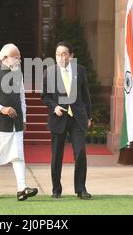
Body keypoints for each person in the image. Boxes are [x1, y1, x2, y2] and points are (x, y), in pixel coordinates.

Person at [0, 44, 39, 201]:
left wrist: (23, 118)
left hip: (14, 123)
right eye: (16, 57)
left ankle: (22, 188)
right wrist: (1, 109)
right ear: (4, 58)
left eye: (19, 57)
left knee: (18, 155)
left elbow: (22, 98)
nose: (19, 60)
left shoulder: (18, 73)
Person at [42, 41, 93, 200]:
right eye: (58, 54)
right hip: (59, 118)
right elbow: (45, 97)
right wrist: (54, 107)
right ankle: (56, 189)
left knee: (80, 154)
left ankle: (81, 189)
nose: (60, 57)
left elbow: (86, 95)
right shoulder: (49, 72)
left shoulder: (80, 70)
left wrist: (89, 116)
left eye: (64, 54)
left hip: (77, 118)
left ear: (71, 56)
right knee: (57, 155)